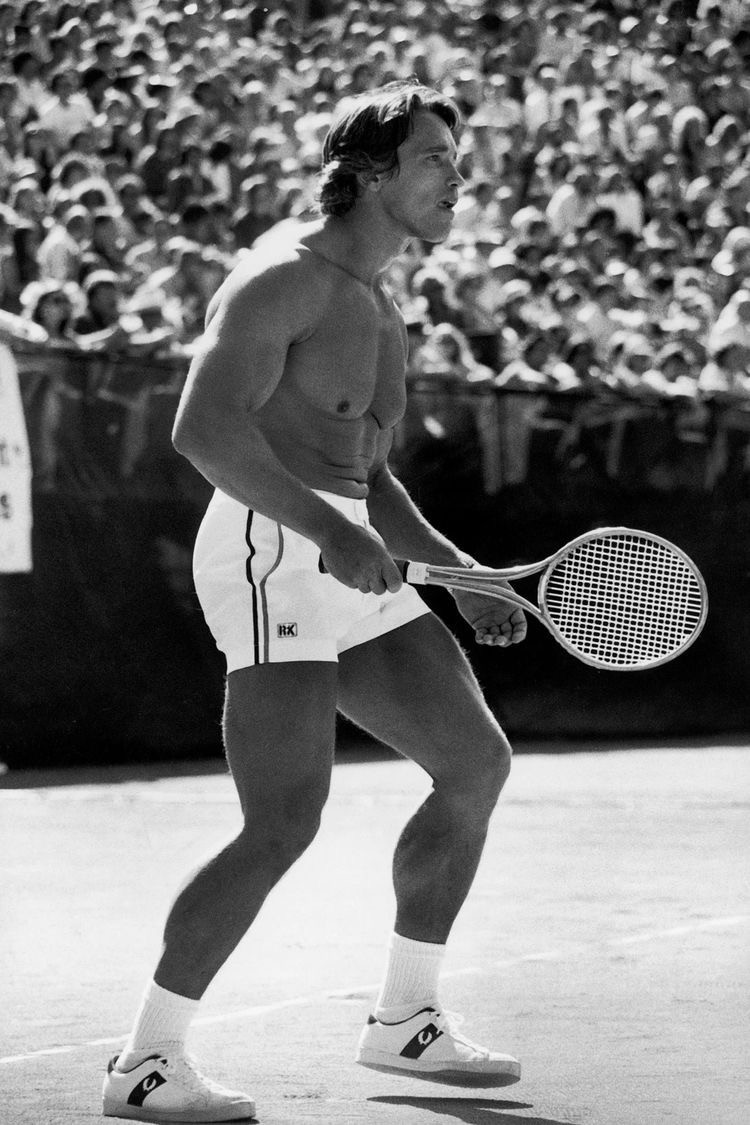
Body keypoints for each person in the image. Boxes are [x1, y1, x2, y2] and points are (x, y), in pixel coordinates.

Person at [102, 80, 526, 1124]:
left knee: (474, 764)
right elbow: (204, 433)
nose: (458, 181)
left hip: (346, 546)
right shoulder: (282, 279)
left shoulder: (381, 305)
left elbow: (368, 472)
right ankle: (147, 1065)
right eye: (436, 160)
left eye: (458, 163)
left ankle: (406, 1021)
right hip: (263, 549)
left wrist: (460, 572)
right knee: (283, 820)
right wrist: (332, 533)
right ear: (371, 171)